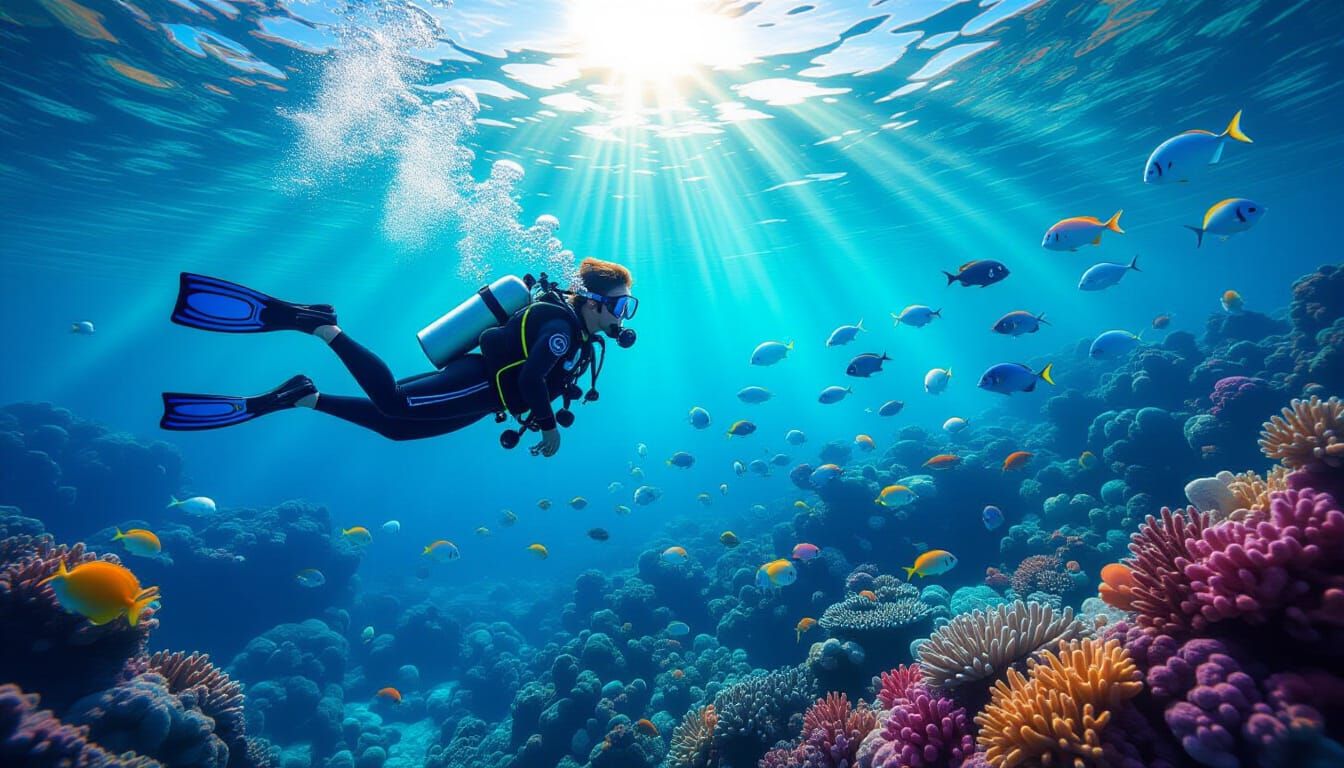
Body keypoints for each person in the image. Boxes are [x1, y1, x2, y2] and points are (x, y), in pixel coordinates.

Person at [160, 258, 637, 457]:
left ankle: (305, 397)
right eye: (619, 304)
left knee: (397, 428)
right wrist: (549, 428)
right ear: (593, 301)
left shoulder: (575, 331)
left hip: (481, 394)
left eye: (626, 306)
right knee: (393, 405)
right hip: (479, 382)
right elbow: (533, 382)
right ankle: (322, 325)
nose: (622, 315)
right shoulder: (560, 329)